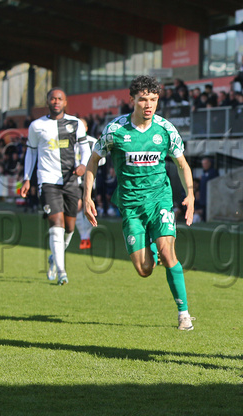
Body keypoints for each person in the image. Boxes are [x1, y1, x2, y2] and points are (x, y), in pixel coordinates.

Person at [83, 75, 196, 331]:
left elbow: (182, 165)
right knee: (144, 269)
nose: (148, 105)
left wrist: (189, 194)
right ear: (131, 99)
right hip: (131, 205)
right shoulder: (116, 130)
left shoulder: (166, 129)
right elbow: (93, 161)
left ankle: (184, 314)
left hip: (160, 200)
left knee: (169, 254)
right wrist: (86, 195)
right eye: (143, 99)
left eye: (153, 99)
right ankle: (151, 251)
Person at [20, 87, 91, 285]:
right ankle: (61, 271)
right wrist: (27, 178)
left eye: (60, 98)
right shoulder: (36, 126)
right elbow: (31, 153)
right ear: (48, 101)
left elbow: (85, 149)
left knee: (69, 227)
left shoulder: (76, 124)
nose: (56, 101)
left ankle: (54, 258)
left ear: (65, 102)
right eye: (53, 98)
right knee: (56, 223)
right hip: (48, 180)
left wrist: (83, 165)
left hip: (70, 181)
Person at [75, 118, 106, 250]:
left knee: (89, 208)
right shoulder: (72, 142)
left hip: (90, 181)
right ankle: (83, 236)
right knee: (77, 207)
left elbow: (102, 160)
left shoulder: (93, 142)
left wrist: (89, 166)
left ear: (86, 128)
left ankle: (86, 235)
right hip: (75, 180)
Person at [198, 156, 219, 222]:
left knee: (208, 209)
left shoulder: (213, 172)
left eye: (205, 163)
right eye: (203, 164)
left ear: (209, 163)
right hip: (203, 195)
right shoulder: (203, 172)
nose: (204, 165)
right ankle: (203, 219)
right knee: (203, 209)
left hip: (211, 195)